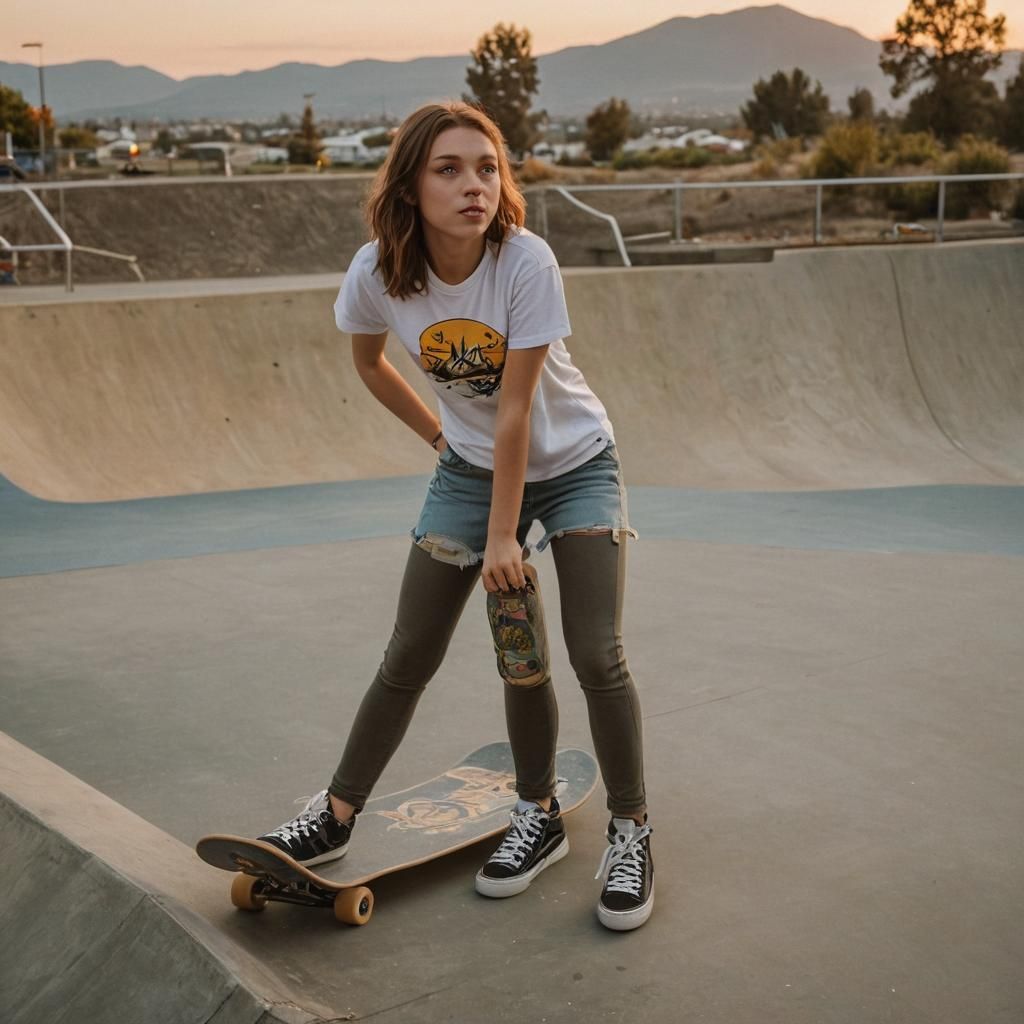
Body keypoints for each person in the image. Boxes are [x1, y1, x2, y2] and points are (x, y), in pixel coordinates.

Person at [255, 101, 654, 931]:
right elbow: (368, 362)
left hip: (575, 464)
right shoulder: (376, 272)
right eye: (449, 169)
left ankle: (630, 829)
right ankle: (344, 815)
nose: (474, 184)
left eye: (486, 167)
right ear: (410, 185)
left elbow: (516, 410)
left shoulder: (525, 262)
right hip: (472, 474)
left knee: (596, 654)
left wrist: (503, 535)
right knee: (412, 653)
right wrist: (439, 434)